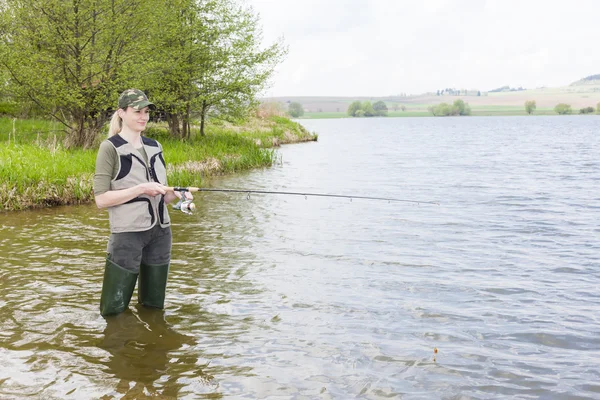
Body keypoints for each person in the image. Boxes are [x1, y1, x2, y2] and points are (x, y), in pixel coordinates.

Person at [94, 88, 191, 316]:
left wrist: (176, 194)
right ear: (121, 113)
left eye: (146, 111)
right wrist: (140, 188)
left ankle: (152, 346)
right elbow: (101, 200)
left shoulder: (155, 146)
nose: (143, 116)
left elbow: (163, 196)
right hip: (127, 235)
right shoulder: (110, 148)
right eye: (137, 111)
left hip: (161, 234)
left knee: (154, 308)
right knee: (113, 311)